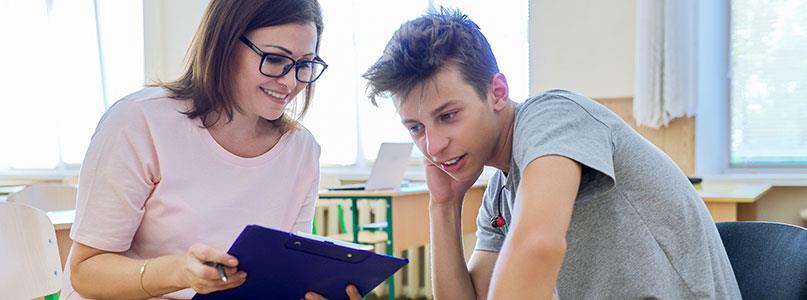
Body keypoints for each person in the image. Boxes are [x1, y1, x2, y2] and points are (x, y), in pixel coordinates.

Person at [362, 9, 741, 299]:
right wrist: (443, 206)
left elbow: (538, 243)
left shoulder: (551, 115)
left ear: (496, 92)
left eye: (448, 116)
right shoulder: (501, 190)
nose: (433, 145)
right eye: (416, 128)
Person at [63, 1, 360, 299]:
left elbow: (284, 275)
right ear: (225, 45)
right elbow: (85, 271)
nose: (290, 81)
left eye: (305, 65)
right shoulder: (138, 121)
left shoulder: (302, 150)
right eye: (274, 59)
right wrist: (180, 273)